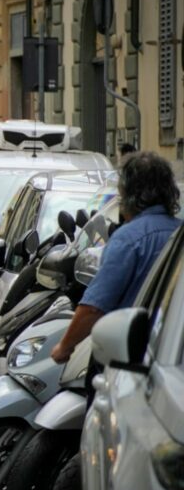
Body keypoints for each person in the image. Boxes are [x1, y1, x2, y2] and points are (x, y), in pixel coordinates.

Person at [50, 151, 181, 363]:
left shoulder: (129, 239)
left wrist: (64, 347)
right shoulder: (178, 233)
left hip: (132, 360)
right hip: (173, 355)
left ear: (129, 194)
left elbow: (94, 307)